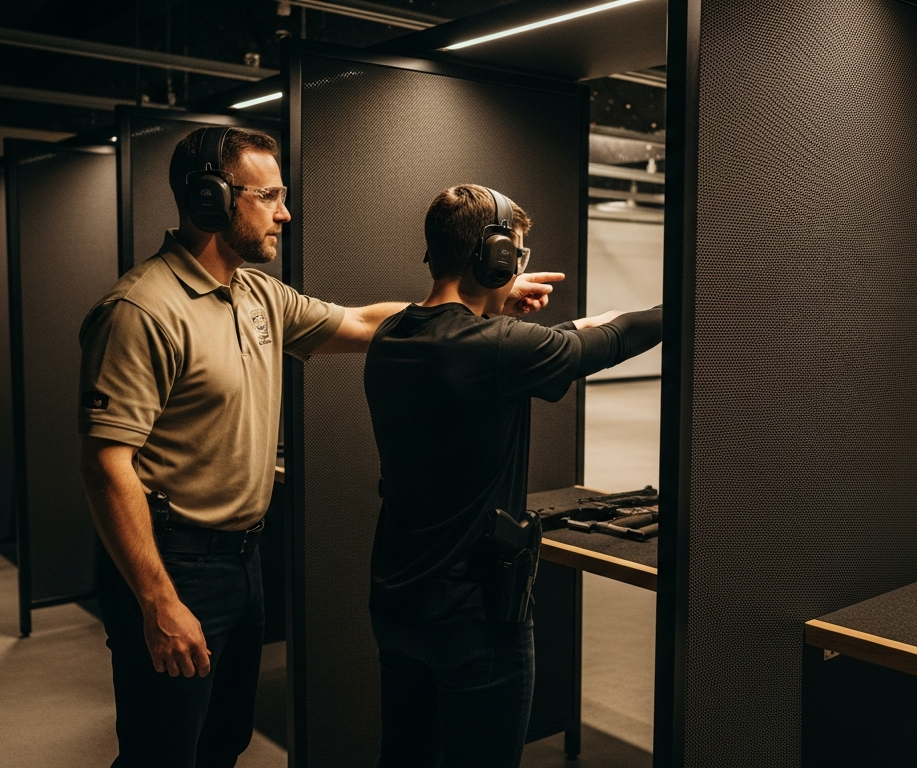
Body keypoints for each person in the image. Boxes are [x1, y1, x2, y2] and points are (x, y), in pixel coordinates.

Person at [77, 130, 562, 768]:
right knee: (160, 752)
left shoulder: (257, 295)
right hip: (172, 565)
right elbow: (106, 464)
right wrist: (158, 600)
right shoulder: (141, 311)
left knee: (222, 742)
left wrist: (469, 311)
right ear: (212, 199)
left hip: (241, 562)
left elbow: (364, 322)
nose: (285, 212)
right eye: (269, 196)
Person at [364, 184, 663, 767]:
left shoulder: (392, 336)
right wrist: (691, 301)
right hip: (473, 621)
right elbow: (614, 336)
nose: (518, 266)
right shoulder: (497, 348)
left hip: (396, 605)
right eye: (516, 255)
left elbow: (561, 336)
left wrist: (498, 307)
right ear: (493, 256)